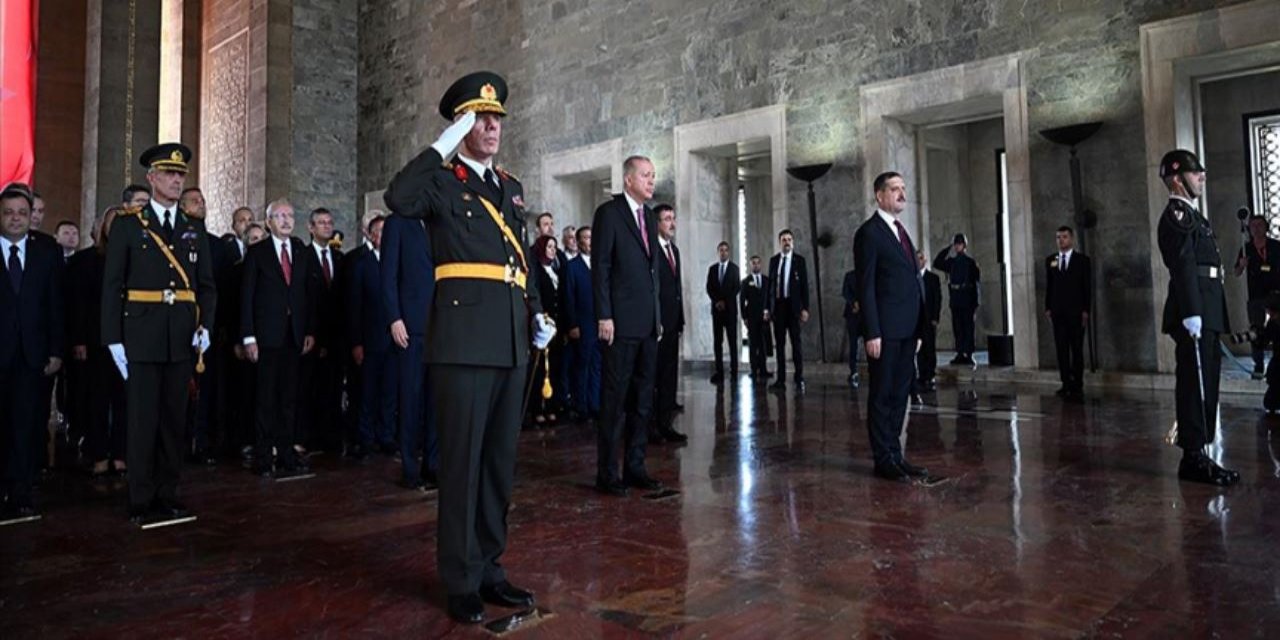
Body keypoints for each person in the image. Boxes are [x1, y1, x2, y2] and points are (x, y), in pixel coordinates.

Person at [383, 71, 554, 624]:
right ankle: (458, 578)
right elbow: (398, 196)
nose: (492, 126)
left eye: (497, 118)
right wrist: (441, 144)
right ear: (461, 125)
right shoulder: (440, 180)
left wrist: (536, 311)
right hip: (461, 343)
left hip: (509, 341)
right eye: (479, 118)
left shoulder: (511, 186)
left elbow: (518, 262)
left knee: (499, 466)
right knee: (461, 465)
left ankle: (489, 568)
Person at [101, 143, 216, 523]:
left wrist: (206, 327)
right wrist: (113, 338)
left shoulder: (193, 228)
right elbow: (113, 284)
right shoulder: (129, 224)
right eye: (168, 173)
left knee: (173, 421)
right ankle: (140, 497)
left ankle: (168, 492)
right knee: (142, 420)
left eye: (180, 174)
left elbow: (207, 286)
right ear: (151, 179)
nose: (176, 180)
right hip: (141, 336)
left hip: (182, 338)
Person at [1156, 149, 1239, 486]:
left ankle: (1200, 452)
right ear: (1177, 179)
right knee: (1195, 384)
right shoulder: (1176, 216)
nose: (1202, 177)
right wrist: (1191, 312)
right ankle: (1193, 457)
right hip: (1195, 313)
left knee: (1208, 383)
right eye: (1195, 173)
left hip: (1207, 310)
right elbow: (1184, 266)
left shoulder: (1193, 216)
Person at [592, 155, 664, 497]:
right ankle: (607, 473)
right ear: (628, 180)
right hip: (618, 325)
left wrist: (658, 319)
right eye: (645, 175)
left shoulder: (650, 218)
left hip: (648, 325)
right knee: (615, 400)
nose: (651, 181)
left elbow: (654, 276)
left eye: (653, 176)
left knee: (642, 402)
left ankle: (635, 466)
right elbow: (601, 269)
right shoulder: (609, 214)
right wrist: (604, 315)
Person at [854, 171, 928, 483]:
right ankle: (883, 458)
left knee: (900, 395)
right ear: (880, 195)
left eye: (903, 188)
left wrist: (920, 330)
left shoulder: (901, 231)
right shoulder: (869, 233)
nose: (902, 194)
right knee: (882, 395)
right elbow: (866, 286)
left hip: (907, 330)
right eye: (895, 189)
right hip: (884, 332)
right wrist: (872, 332)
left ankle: (896, 454)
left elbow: (912, 280)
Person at [241, 198, 319, 478]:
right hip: (266, 336)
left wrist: (309, 330)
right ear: (269, 221)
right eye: (280, 216)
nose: (286, 220)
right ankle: (263, 455)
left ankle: (286, 453)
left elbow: (309, 295)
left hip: (294, 335)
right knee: (265, 398)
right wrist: (248, 336)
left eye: (290, 215)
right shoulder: (258, 252)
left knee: (289, 398)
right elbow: (247, 297)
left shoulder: (300, 250)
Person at [0, 186, 64, 521]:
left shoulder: (46, 250)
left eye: (22, 213)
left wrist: (56, 350)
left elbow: (55, 303)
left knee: (25, 425)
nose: (15, 219)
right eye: (8, 212)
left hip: (32, 355)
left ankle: (21, 490)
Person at [381, 210, 439, 490]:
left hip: (441, 326)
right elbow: (388, 274)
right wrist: (394, 318)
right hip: (409, 326)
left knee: (436, 402)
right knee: (410, 400)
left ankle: (434, 465)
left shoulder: (440, 220)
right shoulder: (398, 222)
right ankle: (409, 467)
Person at [69, 206, 128, 478]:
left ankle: (120, 454)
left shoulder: (135, 257)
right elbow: (78, 304)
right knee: (97, 399)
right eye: (112, 224)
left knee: (125, 400)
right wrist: (79, 340)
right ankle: (99, 453)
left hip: (129, 340)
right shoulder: (86, 260)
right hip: (96, 339)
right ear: (102, 227)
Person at [298, 207, 345, 454]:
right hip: (311, 335)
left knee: (333, 388)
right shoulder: (302, 257)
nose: (326, 226)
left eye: (329, 222)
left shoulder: (340, 259)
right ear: (310, 228)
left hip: (336, 337)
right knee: (308, 387)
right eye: (321, 223)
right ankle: (306, 436)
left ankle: (331, 437)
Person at [653, 204, 687, 443]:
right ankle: (652, 427)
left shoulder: (673, 249)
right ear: (657, 223)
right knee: (654, 377)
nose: (672, 223)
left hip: (673, 323)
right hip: (657, 325)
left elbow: (677, 289)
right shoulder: (651, 250)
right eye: (667, 219)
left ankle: (666, 425)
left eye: (673, 218)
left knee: (669, 375)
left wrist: (681, 318)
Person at [1045, 226, 1092, 399]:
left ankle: (1077, 384)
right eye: (1058, 237)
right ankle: (1065, 382)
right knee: (1061, 349)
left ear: (1071, 239)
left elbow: (1087, 287)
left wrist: (1086, 310)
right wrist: (1048, 307)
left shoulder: (1082, 261)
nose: (1061, 240)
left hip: (1076, 312)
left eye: (1064, 237)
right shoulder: (1051, 260)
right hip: (1058, 312)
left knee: (1076, 348)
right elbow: (1049, 286)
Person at [1233, 214, 1280, 378]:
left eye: (1260, 225)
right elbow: (1236, 272)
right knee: (1256, 331)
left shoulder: (1276, 246)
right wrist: (1241, 265)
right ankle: (1258, 365)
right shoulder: (1246, 249)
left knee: (1277, 328)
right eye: (1253, 226)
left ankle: (1277, 363)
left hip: (1276, 293)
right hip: (1256, 295)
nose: (1256, 229)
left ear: (1266, 227)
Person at [765, 229, 810, 390]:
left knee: (796, 344)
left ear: (793, 242)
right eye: (784, 239)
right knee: (780, 345)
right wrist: (767, 308)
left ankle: (799, 378)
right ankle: (781, 380)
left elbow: (805, 286)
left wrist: (805, 308)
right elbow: (769, 286)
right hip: (778, 307)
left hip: (794, 307)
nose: (787, 242)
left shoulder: (799, 261)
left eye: (789, 239)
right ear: (780, 242)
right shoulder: (774, 261)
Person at [564, 226, 601, 418]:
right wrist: (572, 324)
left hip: (599, 324)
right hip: (582, 324)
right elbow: (568, 297)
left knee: (597, 365)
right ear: (579, 242)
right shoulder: (572, 266)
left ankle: (595, 404)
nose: (590, 241)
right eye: (586, 238)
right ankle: (581, 405)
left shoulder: (600, 265)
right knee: (582, 366)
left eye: (592, 237)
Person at [529, 235, 564, 426]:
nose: (552, 250)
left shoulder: (556, 271)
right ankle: (537, 408)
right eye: (549, 247)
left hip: (556, 329)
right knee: (540, 370)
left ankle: (551, 406)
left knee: (555, 369)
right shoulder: (537, 271)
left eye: (554, 247)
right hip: (542, 327)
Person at [934, 233, 980, 366]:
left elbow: (976, 283)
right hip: (956, 299)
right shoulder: (951, 262)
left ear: (964, 245)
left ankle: (969, 354)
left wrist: (976, 303)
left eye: (959, 244)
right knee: (958, 327)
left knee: (968, 328)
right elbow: (937, 262)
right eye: (955, 244)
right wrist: (948, 247)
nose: (957, 246)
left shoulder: (971, 263)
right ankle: (960, 353)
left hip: (967, 299)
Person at [705, 241, 740, 385]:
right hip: (717, 311)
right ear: (718, 252)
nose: (723, 252)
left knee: (732, 342)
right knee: (717, 343)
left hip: (730, 311)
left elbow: (736, 287)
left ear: (729, 252)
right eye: (721, 250)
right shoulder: (712, 269)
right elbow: (709, 287)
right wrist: (717, 301)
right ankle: (719, 372)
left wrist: (725, 301)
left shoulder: (734, 268)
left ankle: (734, 371)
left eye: (726, 250)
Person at [740, 255, 771, 381]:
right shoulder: (746, 282)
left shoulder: (766, 280)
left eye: (758, 263)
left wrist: (769, 312)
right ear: (750, 265)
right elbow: (742, 301)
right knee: (753, 344)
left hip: (764, 317)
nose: (756, 265)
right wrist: (744, 317)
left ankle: (763, 369)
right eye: (753, 263)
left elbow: (770, 298)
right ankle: (753, 369)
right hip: (751, 317)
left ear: (761, 264)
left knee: (763, 343)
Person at [916, 251, 942, 394]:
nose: (919, 261)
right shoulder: (913, 277)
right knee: (919, 348)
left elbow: (937, 299)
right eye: (916, 258)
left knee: (930, 347)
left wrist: (935, 317)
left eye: (921, 258)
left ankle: (930, 375)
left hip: (929, 318)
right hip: (917, 319)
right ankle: (922, 374)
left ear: (925, 260)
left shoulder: (933, 278)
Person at [840, 264, 861, 389]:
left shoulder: (868, 274)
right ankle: (853, 370)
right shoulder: (849, 275)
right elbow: (845, 292)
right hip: (852, 315)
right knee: (853, 344)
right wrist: (854, 303)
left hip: (866, 315)